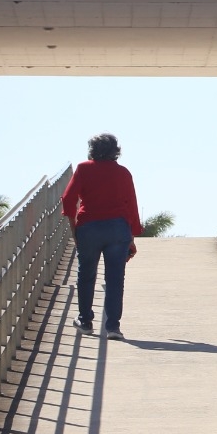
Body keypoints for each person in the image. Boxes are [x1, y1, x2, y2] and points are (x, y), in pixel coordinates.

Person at [60, 133, 142, 340]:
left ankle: (85, 321)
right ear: (116, 150)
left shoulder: (84, 169)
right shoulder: (123, 173)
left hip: (89, 228)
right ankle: (113, 327)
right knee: (115, 279)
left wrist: (74, 229)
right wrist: (131, 237)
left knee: (86, 275)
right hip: (117, 229)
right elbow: (131, 206)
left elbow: (68, 200)